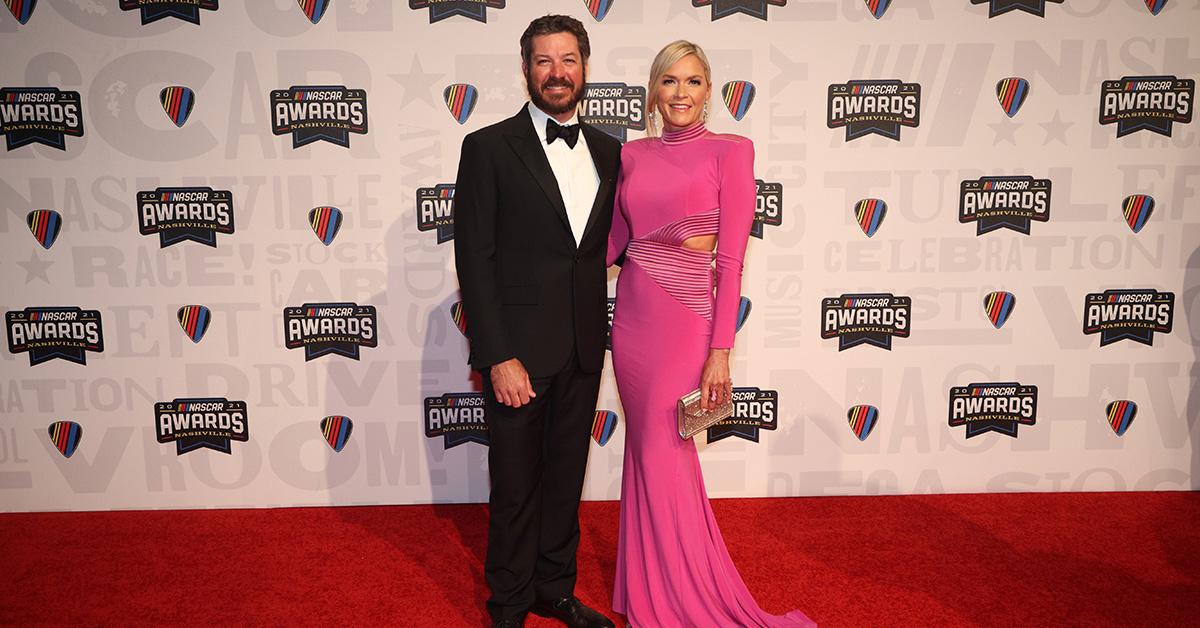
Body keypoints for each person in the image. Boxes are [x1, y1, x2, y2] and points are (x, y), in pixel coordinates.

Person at [606, 40, 815, 627]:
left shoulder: (732, 151)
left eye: (693, 82)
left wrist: (720, 352)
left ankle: (682, 599)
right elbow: (615, 244)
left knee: (665, 451)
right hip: (632, 320)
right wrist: (542, 261)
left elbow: (731, 262)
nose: (681, 93)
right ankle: (644, 592)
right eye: (669, 81)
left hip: (686, 321)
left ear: (709, 91)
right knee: (643, 455)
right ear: (653, 92)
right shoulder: (632, 155)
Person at [453, 14, 621, 628]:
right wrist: (496, 354)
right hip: (518, 353)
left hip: (582, 347)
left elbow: (623, 242)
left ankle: (556, 589)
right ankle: (510, 602)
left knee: (564, 481)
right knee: (516, 486)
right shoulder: (489, 147)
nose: (558, 73)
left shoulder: (610, 150)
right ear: (525, 69)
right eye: (544, 61)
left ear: (585, 68)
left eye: (569, 59)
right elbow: (474, 258)